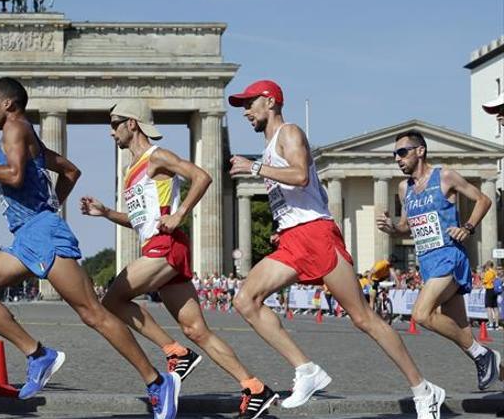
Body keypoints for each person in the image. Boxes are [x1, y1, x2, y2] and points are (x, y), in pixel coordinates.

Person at [0, 78, 179, 419]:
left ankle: (157, 381)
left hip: (42, 234)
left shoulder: (14, 128)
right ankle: (38, 355)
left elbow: (14, 176)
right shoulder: (27, 134)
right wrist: (49, 206)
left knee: (93, 313)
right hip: (30, 234)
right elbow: (71, 171)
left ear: (9, 104)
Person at [228, 80, 443, 419]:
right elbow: (314, 193)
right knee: (245, 300)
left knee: (363, 318)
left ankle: (423, 389)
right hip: (294, 238)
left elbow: (299, 175)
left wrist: (252, 167)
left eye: (249, 103)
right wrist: (284, 223)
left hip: (316, 236)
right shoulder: (272, 145)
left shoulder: (290, 133)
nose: (244, 111)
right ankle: (306, 369)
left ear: (269, 101)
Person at [80, 101, 277, 418]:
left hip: (166, 245)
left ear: (133, 124)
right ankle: (255, 387)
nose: (110, 130)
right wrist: (105, 213)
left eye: (115, 123)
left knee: (113, 299)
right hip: (157, 243)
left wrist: (180, 214)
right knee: (198, 331)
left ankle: (176, 353)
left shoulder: (156, 156)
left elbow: (201, 176)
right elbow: (140, 220)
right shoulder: (133, 168)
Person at [376, 130, 499, 390]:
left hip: (449, 255)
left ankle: (483, 354)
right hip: (427, 262)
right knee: (462, 334)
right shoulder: (404, 188)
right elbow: (406, 226)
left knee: (421, 315)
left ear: (420, 151)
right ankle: (492, 364)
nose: (397, 159)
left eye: (402, 152)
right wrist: (392, 229)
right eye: (394, 154)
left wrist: (467, 227)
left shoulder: (444, 176)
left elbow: (483, 199)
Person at [482, 261, 500, 330]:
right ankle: (497, 325)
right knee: (495, 307)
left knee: (488, 307)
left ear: (488, 265)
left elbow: (484, 281)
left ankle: (491, 324)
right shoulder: (495, 272)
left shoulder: (488, 272)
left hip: (489, 290)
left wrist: (483, 276)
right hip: (495, 290)